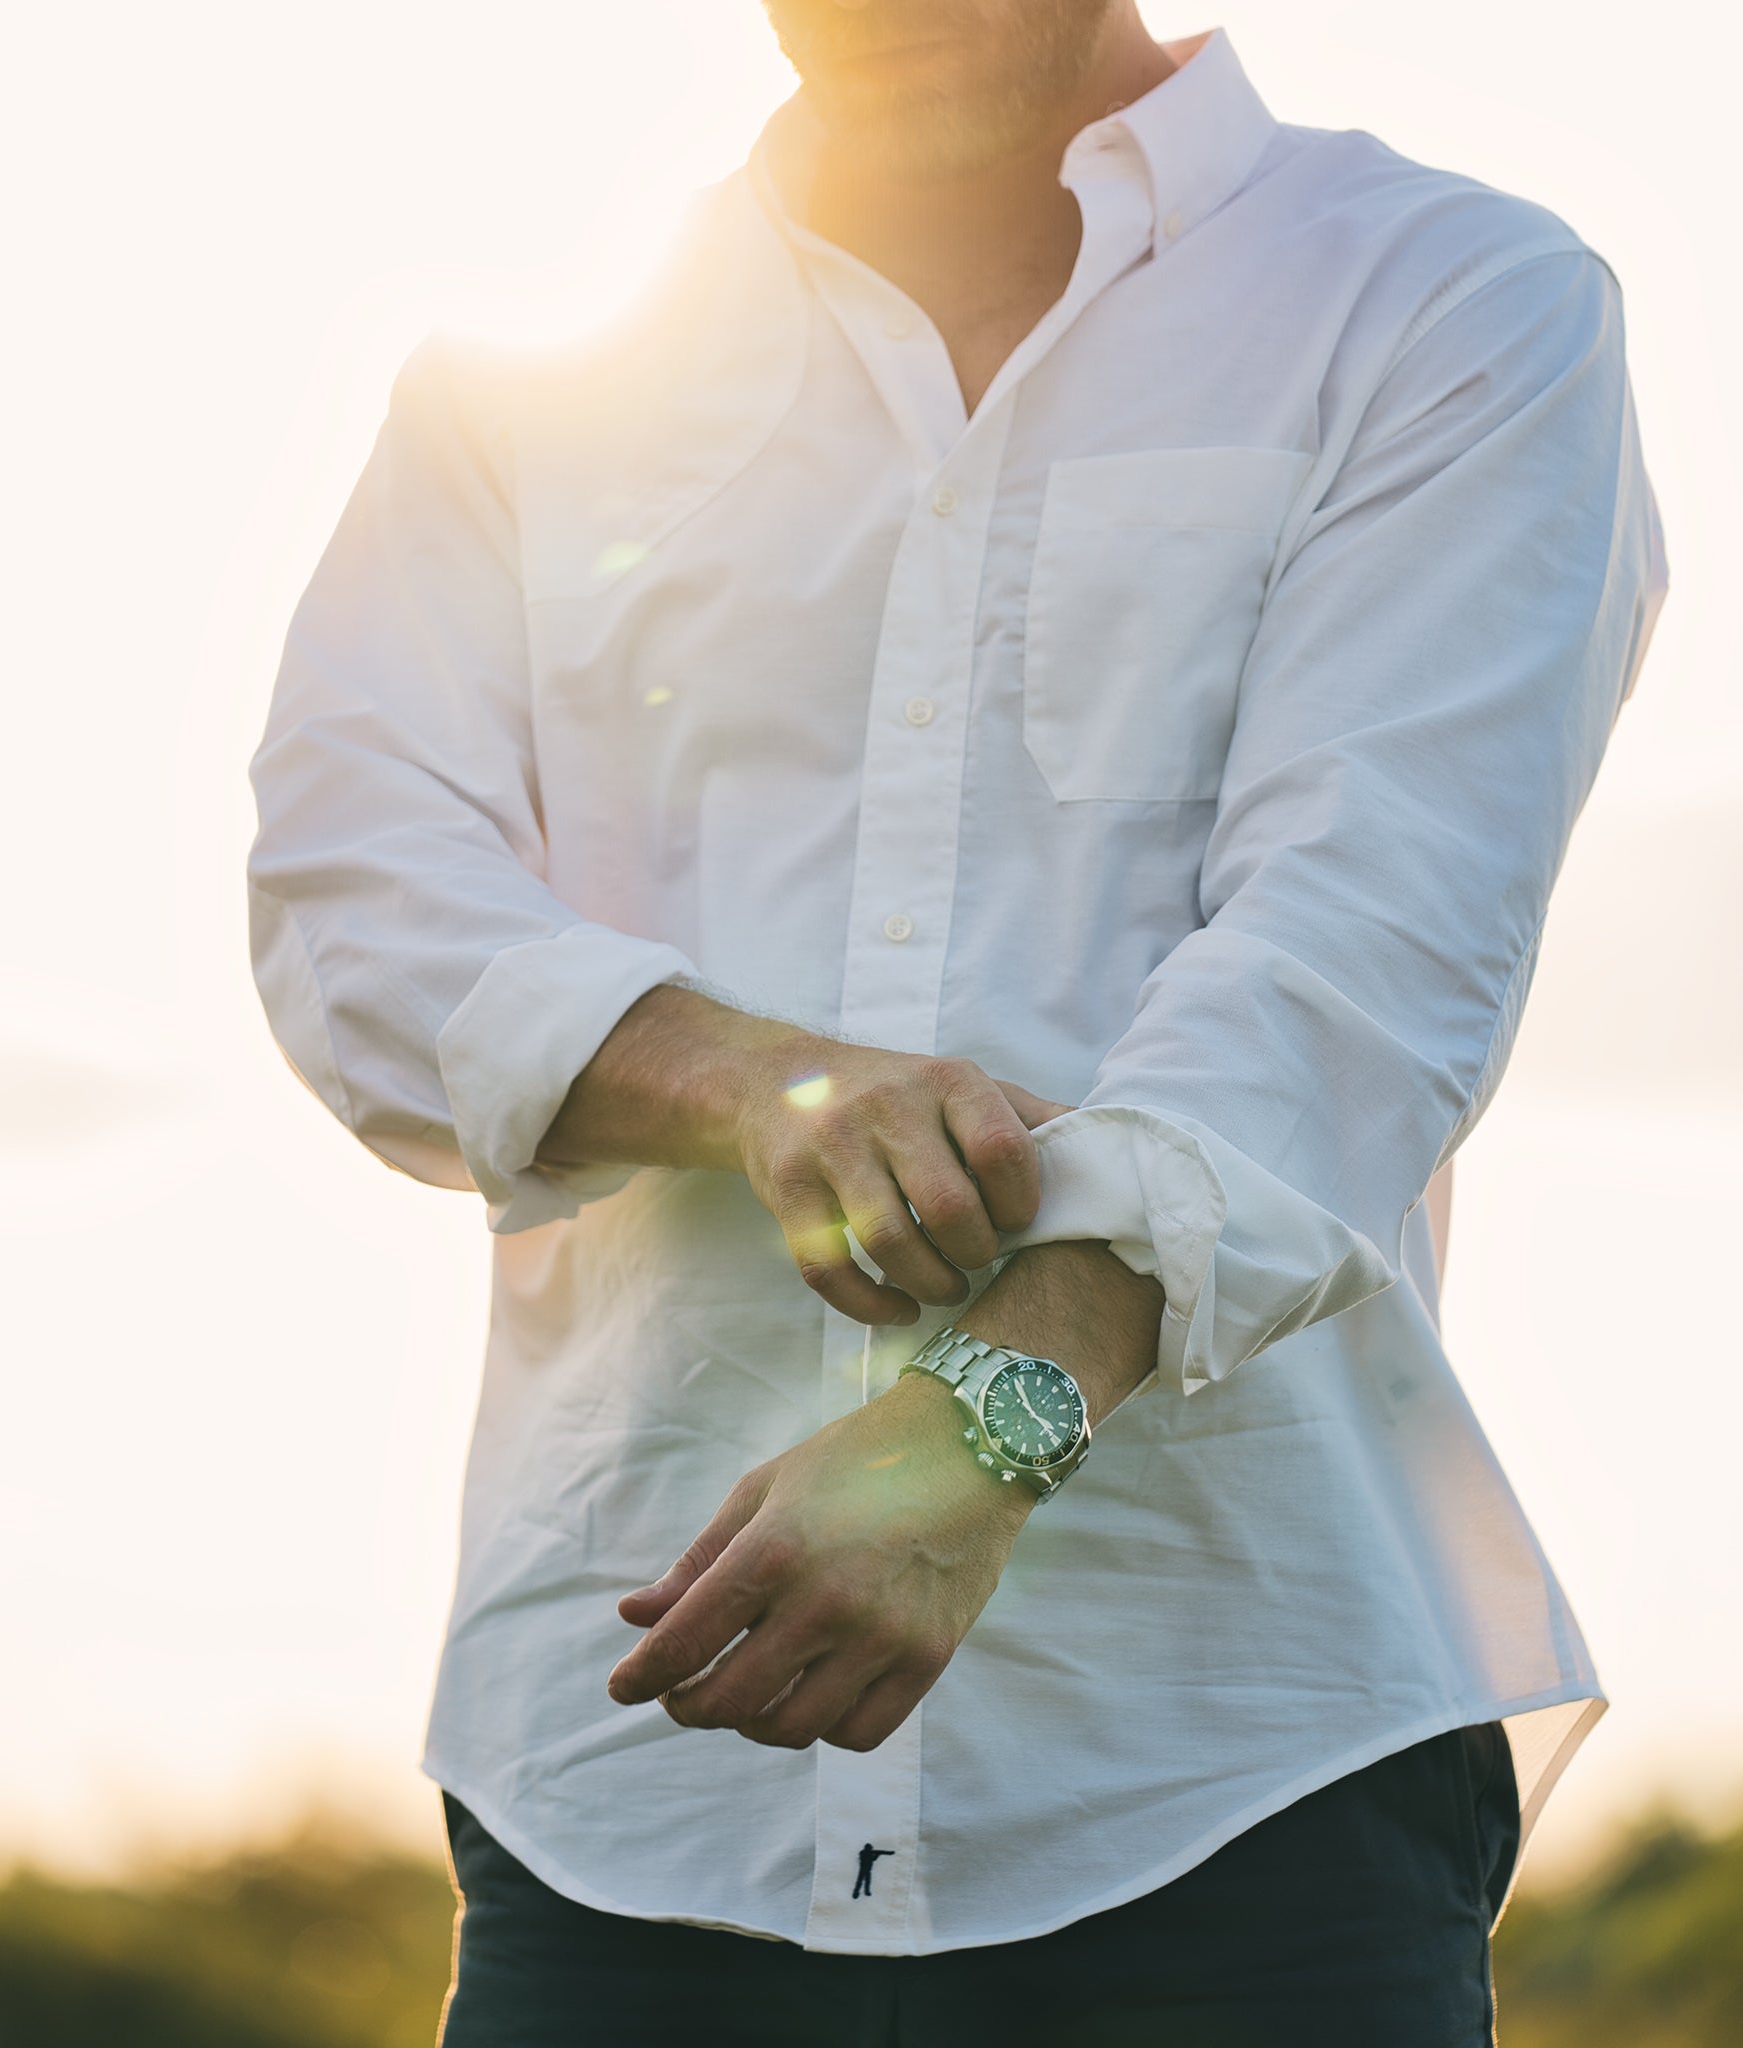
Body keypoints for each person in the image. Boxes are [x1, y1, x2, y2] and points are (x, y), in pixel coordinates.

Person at [246, 2, 1668, 2040]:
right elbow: (347, 895)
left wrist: (974, 1436)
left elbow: (1368, 950)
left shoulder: (1447, 301)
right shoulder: (526, 385)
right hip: (629, 1801)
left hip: (1233, 1791)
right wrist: (736, 1078)